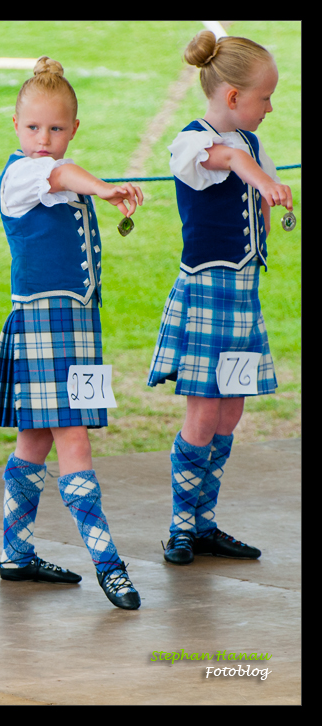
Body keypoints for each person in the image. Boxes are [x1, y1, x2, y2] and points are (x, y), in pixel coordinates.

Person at [0, 58, 144, 610]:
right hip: (45, 324)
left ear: (74, 129)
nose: (42, 139)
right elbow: (63, 176)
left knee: (37, 440)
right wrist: (105, 189)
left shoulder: (55, 169)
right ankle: (108, 564)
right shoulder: (25, 173)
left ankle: (16, 554)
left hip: (76, 326)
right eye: (31, 127)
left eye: (55, 129)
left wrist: (93, 186)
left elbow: (67, 176)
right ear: (15, 127)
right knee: (74, 438)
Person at [149, 31, 293, 566]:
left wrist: (266, 203)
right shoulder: (192, 143)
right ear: (232, 97)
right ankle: (181, 528)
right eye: (264, 97)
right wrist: (257, 178)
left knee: (230, 413)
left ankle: (205, 523)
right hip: (206, 296)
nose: (270, 107)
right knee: (204, 413)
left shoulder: (252, 146)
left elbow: (252, 174)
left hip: (241, 298)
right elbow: (225, 162)